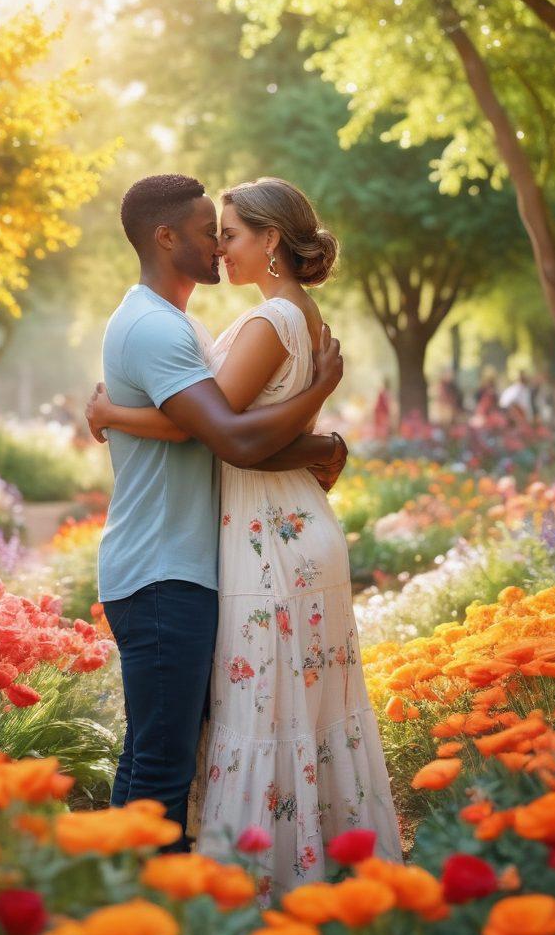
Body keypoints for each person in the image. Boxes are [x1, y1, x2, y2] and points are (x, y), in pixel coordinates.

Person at [89, 176, 402, 895]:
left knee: (224, 730)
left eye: (228, 232)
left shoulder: (259, 321)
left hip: (266, 544)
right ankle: (158, 901)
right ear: (166, 237)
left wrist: (112, 414)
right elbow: (228, 434)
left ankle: (208, 895)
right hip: (224, 550)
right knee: (210, 737)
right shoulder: (197, 324)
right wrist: (320, 439)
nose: (219, 245)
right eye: (211, 231)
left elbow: (225, 435)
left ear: (270, 242)